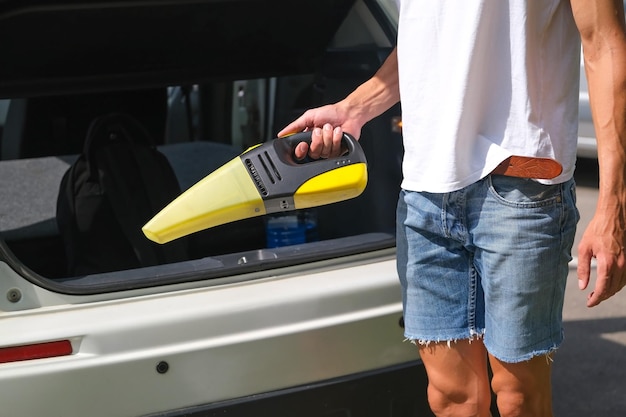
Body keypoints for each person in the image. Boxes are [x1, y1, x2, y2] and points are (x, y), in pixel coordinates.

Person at [278, 1, 626, 416]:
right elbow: (429, 40)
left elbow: (604, 43)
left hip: (522, 187)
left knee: (519, 399)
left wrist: (614, 205)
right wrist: (354, 108)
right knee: (451, 400)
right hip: (425, 191)